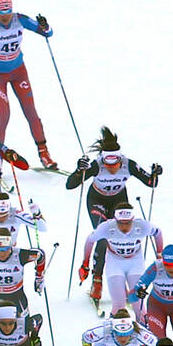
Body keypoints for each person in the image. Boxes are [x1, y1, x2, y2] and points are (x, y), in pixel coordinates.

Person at [66, 127, 161, 306]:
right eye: (106, 164)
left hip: (119, 201)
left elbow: (151, 183)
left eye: (114, 164)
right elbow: (70, 185)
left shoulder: (128, 164)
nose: (110, 168)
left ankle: (122, 280)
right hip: (96, 199)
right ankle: (97, 280)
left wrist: (156, 173)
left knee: (121, 236)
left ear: (120, 159)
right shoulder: (96, 165)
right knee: (103, 236)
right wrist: (80, 171)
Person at [0, 0, 57, 166]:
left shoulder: (20, 19)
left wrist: (45, 26)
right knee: (4, 116)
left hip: (18, 72)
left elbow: (48, 33)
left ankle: (44, 154)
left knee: (31, 112)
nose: (5, 16)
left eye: (8, 10)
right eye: (1, 12)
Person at [79, 206, 163, 317]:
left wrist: (159, 254)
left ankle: (144, 328)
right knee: (119, 305)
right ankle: (114, 329)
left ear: (133, 220)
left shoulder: (142, 225)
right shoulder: (107, 227)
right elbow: (90, 240)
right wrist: (85, 263)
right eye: (120, 223)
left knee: (139, 305)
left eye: (128, 223)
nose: (124, 227)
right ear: (115, 220)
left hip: (135, 263)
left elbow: (158, 233)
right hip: (115, 263)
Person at [0, 229, 45, 316]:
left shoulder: (20, 255)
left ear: (11, 245)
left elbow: (40, 256)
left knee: (23, 325)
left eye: (5, 248)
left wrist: (39, 278)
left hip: (16, 296)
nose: (1, 252)